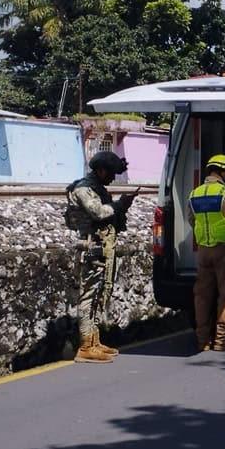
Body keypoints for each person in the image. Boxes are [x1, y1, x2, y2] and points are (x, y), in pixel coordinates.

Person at [65, 151, 138, 363]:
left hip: (101, 248)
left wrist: (122, 207)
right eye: (111, 173)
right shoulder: (84, 189)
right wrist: (119, 205)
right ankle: (86, 345)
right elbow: (97, 212)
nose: (113, 178)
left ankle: (94, 341)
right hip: (92, 248)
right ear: (101, 170)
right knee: (88, 296)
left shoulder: (98, 188)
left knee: (99, 293)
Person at [188, 154, 225, 352]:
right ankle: (222, 341)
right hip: (224, 251)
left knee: (202, 296)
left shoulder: (194, 194)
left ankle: (203, 341)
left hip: (203, 251)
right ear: (222, 171)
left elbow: (191, 220)